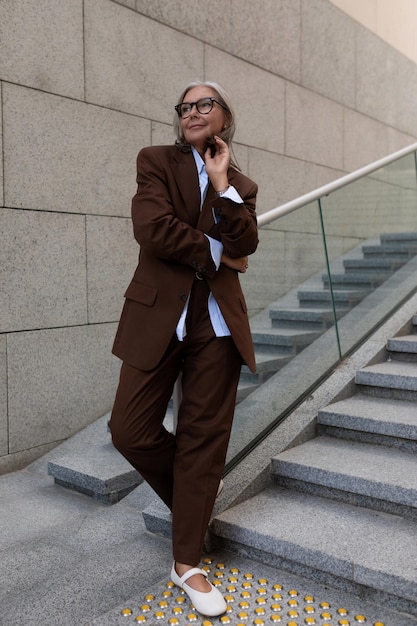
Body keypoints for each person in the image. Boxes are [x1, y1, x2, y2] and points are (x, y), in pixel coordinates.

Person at [109, 80, 258, 617]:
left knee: (203, 440)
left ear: (224, 117)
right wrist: (217, 254)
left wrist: (221, 184)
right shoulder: (155, 161)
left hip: (217, 327)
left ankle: (186, 564)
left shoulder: (239, 182)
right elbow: (151, 230)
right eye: (185, 106)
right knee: (129, 429)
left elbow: (247, 243)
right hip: (158, 319)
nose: (192, 112)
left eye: (204, 104)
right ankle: (193, 507)